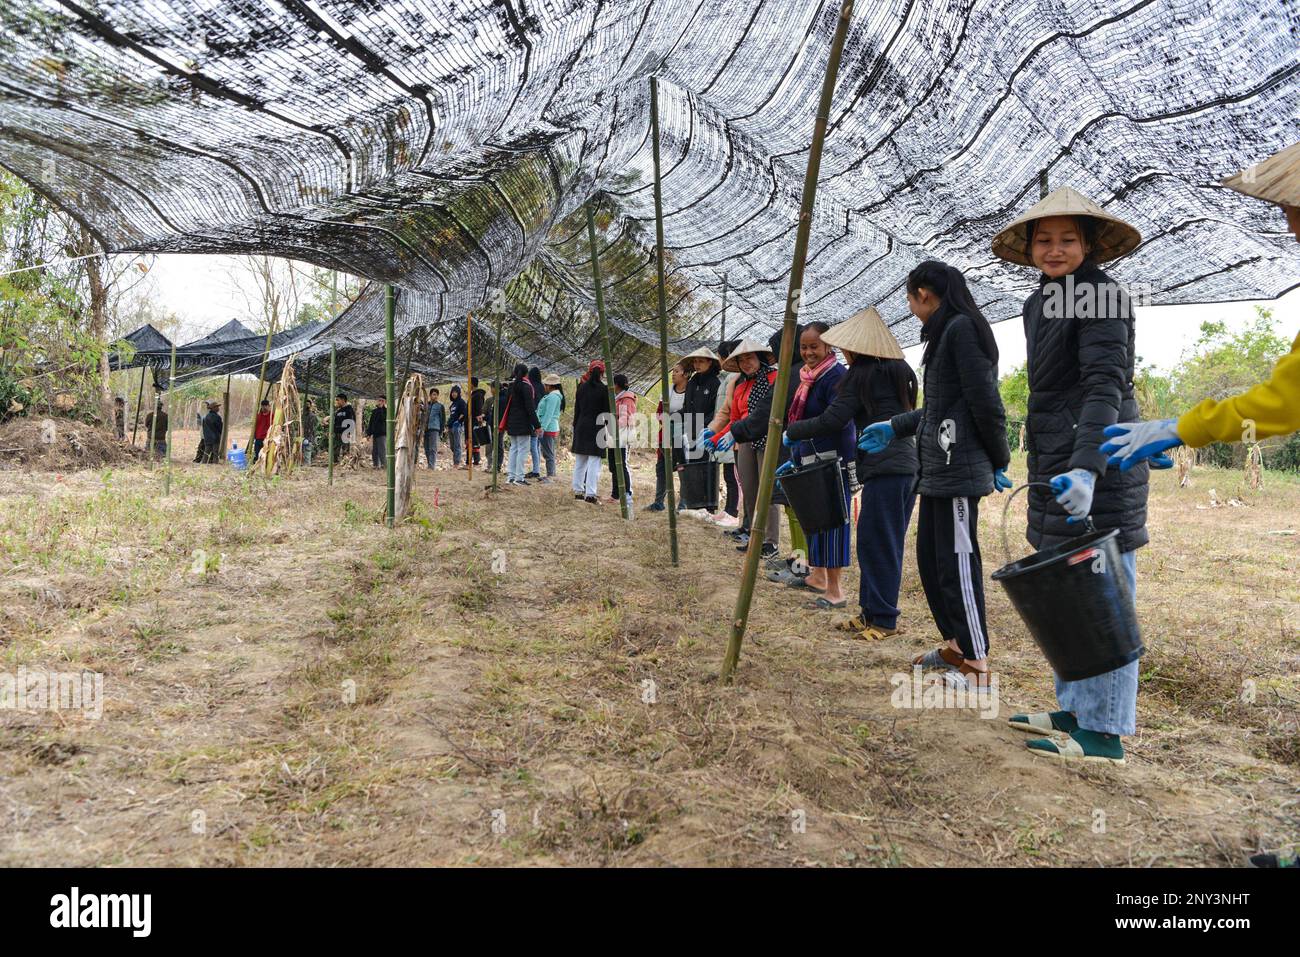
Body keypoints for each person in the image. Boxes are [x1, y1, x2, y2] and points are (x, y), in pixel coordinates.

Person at [989, 187, 1149, 765]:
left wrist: (1088, 466)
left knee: (1100, 589)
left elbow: (1105, 382)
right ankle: (1076, 708)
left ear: (1089, 244)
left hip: (1095, 462)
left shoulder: (1102, 297)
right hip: (1055, 458)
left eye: (1067, 239)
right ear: (1030, 247)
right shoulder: (1041, 302)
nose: (1054, 249)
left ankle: (1103, 732)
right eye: (1044, 239)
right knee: (1063, 589)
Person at [860, 260, 1010, 692]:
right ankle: (956, 645)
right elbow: (942, 409)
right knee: (932, 559)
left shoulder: (962, 329)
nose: (911, 308)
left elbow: (985, 402)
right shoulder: (945, 335)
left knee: (959, 563)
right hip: (938, 470)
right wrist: (895, 426)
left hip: (959, 470)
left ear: (923, 294)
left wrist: (998, 456)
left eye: (910, 299)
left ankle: (977, 666)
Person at [786, 307, 918, 638]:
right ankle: (870, 613)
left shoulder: (859, 374)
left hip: (886, 467)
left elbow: (833, 419)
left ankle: (883, 620)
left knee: (879, 544)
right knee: (877, 543)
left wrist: (793, 431)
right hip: (905, 465)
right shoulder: (901, 369)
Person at [775, 322, 853, 609]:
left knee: (833, 525)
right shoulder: (807, 377)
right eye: (804, 347)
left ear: (828, 346)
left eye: (814, 347)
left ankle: (836, 590)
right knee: (814, 522)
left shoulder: (836, 376)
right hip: (809, 459)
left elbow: (837, 420)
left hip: (832, 463)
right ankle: (818, 576)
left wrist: (798, 433)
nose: (808, 352)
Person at [701, 339, 781, 559]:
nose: (746, 363)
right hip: (744, 439)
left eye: (750, 358)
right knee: (751, 490)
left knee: (768, 492)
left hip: (768, 438)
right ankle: (755, 538)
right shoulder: (740, 385)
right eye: (741, 360)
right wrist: (716, 436)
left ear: (760, 358)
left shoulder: (775, 379)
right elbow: (734, 417)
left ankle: (771, 542)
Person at [679, 346, 726, 514]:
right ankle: (694, 502)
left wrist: (705, 426)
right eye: (695, 361)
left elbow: (717, 411)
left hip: (707, 432)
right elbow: (686, 407)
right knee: (693, 466)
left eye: (701, 361)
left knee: (707, 466)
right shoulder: (692, 382)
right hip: (691, 430)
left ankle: (709, 505)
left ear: (710, 362)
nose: (697, 364)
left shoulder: (715, 383)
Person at [648, 361, 689, 511]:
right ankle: (659, 502)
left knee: (683, 469)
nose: (673, 374)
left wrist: (674, 419)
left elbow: (690, 413)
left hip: (683, 436)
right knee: (661, 468)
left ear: (686, 374)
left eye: (677, 371)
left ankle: (683, 504)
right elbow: (659, 413)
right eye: (673, 371)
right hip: (665, 434)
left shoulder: (690, 391)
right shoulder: (667, 391)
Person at [570, 360, 606, 503]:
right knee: (594, 462)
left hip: (581, 426)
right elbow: (607, 412)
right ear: (602, 374)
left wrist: (575, 425)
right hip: (597, 427)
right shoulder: (604, 390)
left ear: (589, 372)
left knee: (580, 461)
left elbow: (576, 410)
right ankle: (590, 494)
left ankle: (578, 491)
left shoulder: (582, 388)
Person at [502, 363, 541, 485]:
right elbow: (530, 408)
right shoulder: (526, 387)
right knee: (523, 450)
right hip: (523, 423)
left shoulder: (511, 387)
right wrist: (537, 425)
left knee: (514, 449)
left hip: (512, 423)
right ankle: (519, 478)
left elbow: (506, 406)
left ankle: (511, 476)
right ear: (526, 374)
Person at [604, 373, 637, 507]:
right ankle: (615, 494)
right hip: (613, 434)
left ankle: (627, 492)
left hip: (621, 435)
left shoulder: (627, 398)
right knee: (613, 464)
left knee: (622, 464)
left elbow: (624, 418)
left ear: (616, 385)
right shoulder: (617, 398)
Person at [536, 374, 564, 483]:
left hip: (548, 427)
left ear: (550, 385)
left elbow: (549, 414)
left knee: (548, 453)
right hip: (550, 426)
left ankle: (551, 476)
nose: (544, 386)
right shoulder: (553, 396)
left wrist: (542, 427)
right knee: (548, 451)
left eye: (546, 384)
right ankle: (550, 474)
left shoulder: (553, 397)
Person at [526, 366, 545, 479]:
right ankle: (536, 469)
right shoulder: (542, 387)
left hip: (533, 418)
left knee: (533, 444)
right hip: (540, 418)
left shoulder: (531, 386)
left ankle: (536, 470)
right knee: (536, 445)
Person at [424, 387, 446, 470]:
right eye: (433, 394)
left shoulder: (440, 406)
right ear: (430, 395)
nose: (435, 396)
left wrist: (441, 430)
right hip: (425, 429)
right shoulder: (426, 405)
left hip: (434, 428)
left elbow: (442, 419)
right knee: (426, 448)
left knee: (433, 448)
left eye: (436, 395)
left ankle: (431, 466)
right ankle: (429, 463)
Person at [447, 385, 467, 467]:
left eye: (455, 392)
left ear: (458, 393)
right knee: (452, 446)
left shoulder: (461, 402)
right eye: (452, 392)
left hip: (457, 426)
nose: (454, 394)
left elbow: (464, 413)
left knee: (457, 445)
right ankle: (456, 460)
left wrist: (458, 421)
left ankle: (456, 463)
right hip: (451, 426)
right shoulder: (453, 404)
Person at [332, 393, 354, 463]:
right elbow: (335, 422)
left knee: (345, 450)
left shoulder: (349, 410)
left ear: (343, 400)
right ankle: (336, 463)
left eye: (338, 400)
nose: (336, 402)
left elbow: (352, 421)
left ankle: (345, 464)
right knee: (335, 450)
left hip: (345, 432)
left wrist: (349, 432)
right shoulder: (338, 411)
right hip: (337, 433)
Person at [470, 377, 487, 466]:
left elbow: (479, 409)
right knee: (473, 439)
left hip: (475, 420)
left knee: (475, 439)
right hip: (472, 420)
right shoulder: (473, 394)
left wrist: (479, 421)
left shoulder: (478, 395)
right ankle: (474, 458)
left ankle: (477, 459)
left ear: (472, 384)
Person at [367, 396, 387, 468]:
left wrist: (381, 408)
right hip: (375, 433)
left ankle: (384, 465)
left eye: (382, 401)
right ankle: (376, 465)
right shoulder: (374, 411)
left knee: (382, 450)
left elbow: (383, 419)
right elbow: (371, 423)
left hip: (382, 433)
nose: (380, 402)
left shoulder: (386, 411)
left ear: (385, 402)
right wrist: (369, 433)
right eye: (379, 400)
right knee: (375, 450)